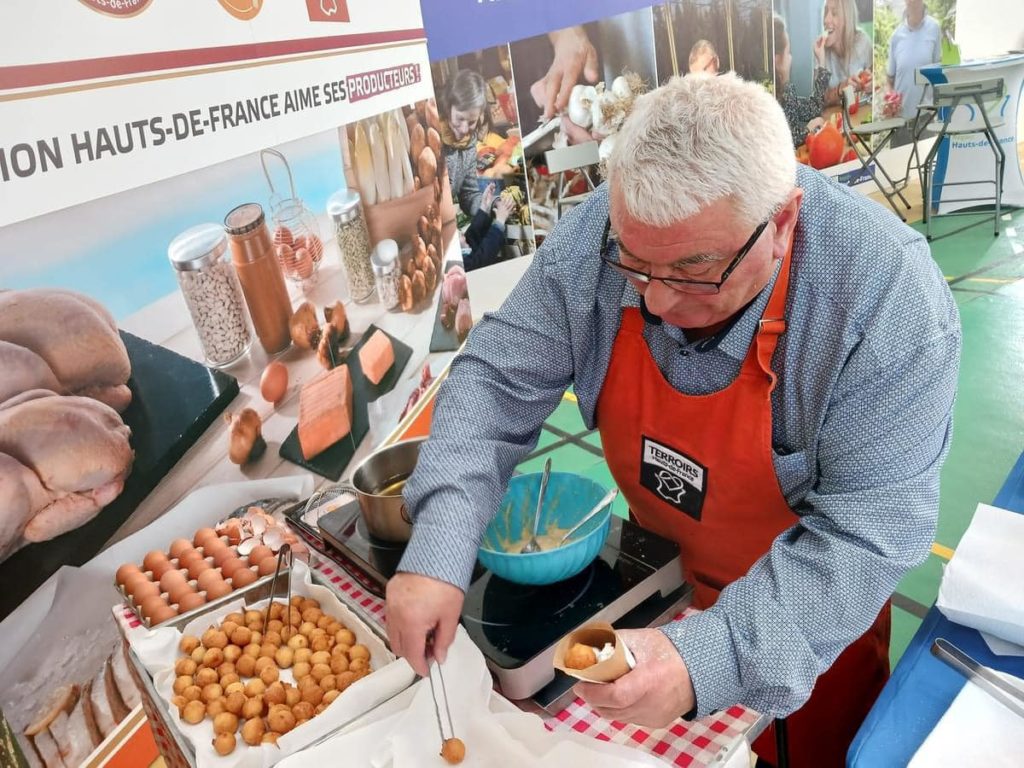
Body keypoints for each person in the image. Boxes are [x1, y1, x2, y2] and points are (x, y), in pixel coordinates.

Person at [386, 73, 959, 767]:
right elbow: (497, 379)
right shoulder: (600, 237)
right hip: (655, 595)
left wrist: (709, 658)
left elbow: (869, 534)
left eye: (694, 272)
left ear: (782, 222)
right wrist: (441, 543)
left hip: (809, 632)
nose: (655, 305)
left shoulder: (883, 296)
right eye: (634, 267)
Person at [440, 69, 510, 271]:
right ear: (448, 108)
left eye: (471, 122)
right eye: (459, 119)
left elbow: (468, 194)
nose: (464, 129)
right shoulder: (436, 142)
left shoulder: (469, 144)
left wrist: (489, 203)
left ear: (480, 116)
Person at [774, 14, 829, 147]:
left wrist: (821, 60)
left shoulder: (785, 92)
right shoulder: (770, 102)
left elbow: (813, 109)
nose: (791, 58)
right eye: (788, 53)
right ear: (776, 59)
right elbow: (787, 142)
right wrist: (808, 130)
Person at [886, 0, 942, 121]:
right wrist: (891, 100)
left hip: (925, 118)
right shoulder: (896, 36)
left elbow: (939, 71)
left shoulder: (934, 28)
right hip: (900, 120)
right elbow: (890, 80)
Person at [816, 0, 872, 105]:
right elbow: (818, 103)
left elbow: (876, 88)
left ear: (847, 19)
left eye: (834, 13)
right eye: (826, 12)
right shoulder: (821, 50)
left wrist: (871, 85)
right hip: (833, 118)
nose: (826, 20)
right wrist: (821, 61)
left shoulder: (863, 43)